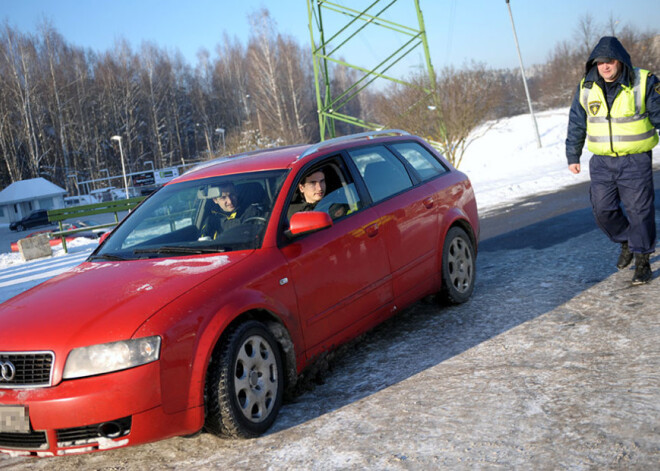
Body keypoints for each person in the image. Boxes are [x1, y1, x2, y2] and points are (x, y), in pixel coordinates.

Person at [566, 36, 660, 285]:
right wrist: (572, 155)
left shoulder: (644, 81)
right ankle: (628, 240)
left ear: (620, 61)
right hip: (602, 162)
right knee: (602, 210)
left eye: (609, 61)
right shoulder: (586, 87)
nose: (605, 66)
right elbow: (577, 122)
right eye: (599, 63)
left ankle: (642, 260)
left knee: (640, 211)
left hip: (635, 159)